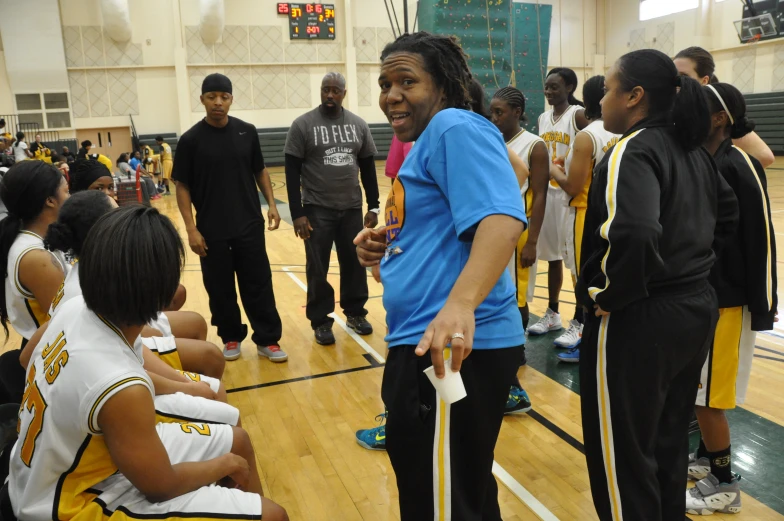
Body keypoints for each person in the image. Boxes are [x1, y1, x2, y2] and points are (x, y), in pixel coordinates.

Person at [9, 205, 289, 521]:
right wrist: (224, 465)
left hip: (38, 473)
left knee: (236, 440)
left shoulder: (74, 310)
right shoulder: (121, 385)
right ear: (163, 295)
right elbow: (161, 486)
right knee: (272, 513)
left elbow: (25, 356)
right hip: (69, 504)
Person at [354, 32, 526, 520]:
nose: (391, 94)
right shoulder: (435, 137)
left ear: (445, 86)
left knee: (445, 501)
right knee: (450, 492)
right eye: (386, 83)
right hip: (431, 340)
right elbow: (509, 174)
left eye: (407, 80)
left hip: (453, 347)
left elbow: (503, 218)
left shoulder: (452, 125)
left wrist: (461, 303)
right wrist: (388, 244)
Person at [576, 49, 739, 521]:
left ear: (635, 96)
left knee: (622, 453)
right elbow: (727, 215)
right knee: (668, 441)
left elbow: (635, 231)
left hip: (639, 316)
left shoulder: (634, 148)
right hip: (693, 308)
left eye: (607, 89)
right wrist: (690, 267)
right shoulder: (693, 148)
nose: (601, 99)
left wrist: (608, 294)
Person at [684, 82, 778, 516]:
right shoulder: (700, 156)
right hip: (703, 295)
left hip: (726, 301)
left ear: (720, 118)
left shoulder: (739, 163)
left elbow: (762, 238)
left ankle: (724, 487)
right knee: (698, 391)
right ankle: (706, 460)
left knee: (708, 398)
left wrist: (763, 306)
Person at [173, 73, 285, 363]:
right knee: (219, 286)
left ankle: (268, 339)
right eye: (212, 97)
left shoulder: (247, 132)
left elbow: (260, 170)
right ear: (202, 100)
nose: (218, 103)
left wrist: (272, 205)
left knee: (258, 282)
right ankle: (231, 336)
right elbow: (182, 186)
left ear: (231, 99)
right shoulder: (190, 140)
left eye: (224, 97)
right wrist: (191, 228)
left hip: (249, 223)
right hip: (211, 228)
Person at [284, 72, 379, 345]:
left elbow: (369, 169)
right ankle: (321, 321)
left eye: (335, 91)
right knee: (318, 267)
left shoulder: (358, 125)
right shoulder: (303, 125)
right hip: (316, 209)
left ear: (344, 94)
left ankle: (355, 313)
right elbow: (291, 173)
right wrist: (297, 213)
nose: (329, 95)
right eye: (326, 90)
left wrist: (373, 205)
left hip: (351, 207)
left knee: (354, 262)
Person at [548, 76, 620, 363]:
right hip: (612, 212)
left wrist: (553, 170)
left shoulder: (589, 134)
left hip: (584, 213)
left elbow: (572, 186)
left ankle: (586, 339)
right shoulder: (623, 132)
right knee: (604, 276)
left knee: (583, 277)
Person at [489, 85, 548, 414]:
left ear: (516, 112)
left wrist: (535, 240)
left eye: (500, 112)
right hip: (496, 228)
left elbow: (539, 195)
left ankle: (515, 353)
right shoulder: (490, 138)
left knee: (518, 297)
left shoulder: (533, 145)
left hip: (521, 229)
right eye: (492, 111)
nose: (494, 116)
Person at [0, 161, 70, 404]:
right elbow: (70, 320)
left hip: (56, 343)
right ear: (50, 200)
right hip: (54, 356)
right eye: (66, 191)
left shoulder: (39, 241)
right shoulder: (35, 257)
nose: (70, 196)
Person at [530, 68, 590, 339]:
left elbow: (595, 144)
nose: (549, 91)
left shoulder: (577, 115)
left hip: (569, 194)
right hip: (548, 194)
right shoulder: (543, 118)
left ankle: (580, 318)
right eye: (547, 87)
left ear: (569, 87)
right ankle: (553, 313)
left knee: (576, 262)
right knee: (552, 257)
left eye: (554, 87)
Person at [674, 46, 775, 168]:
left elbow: (764, 156)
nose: (677, 82)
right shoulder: (670, 106)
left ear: (704, 80)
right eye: (674, 76)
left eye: (684, 76)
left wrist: (714, 178)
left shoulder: (715, 113)